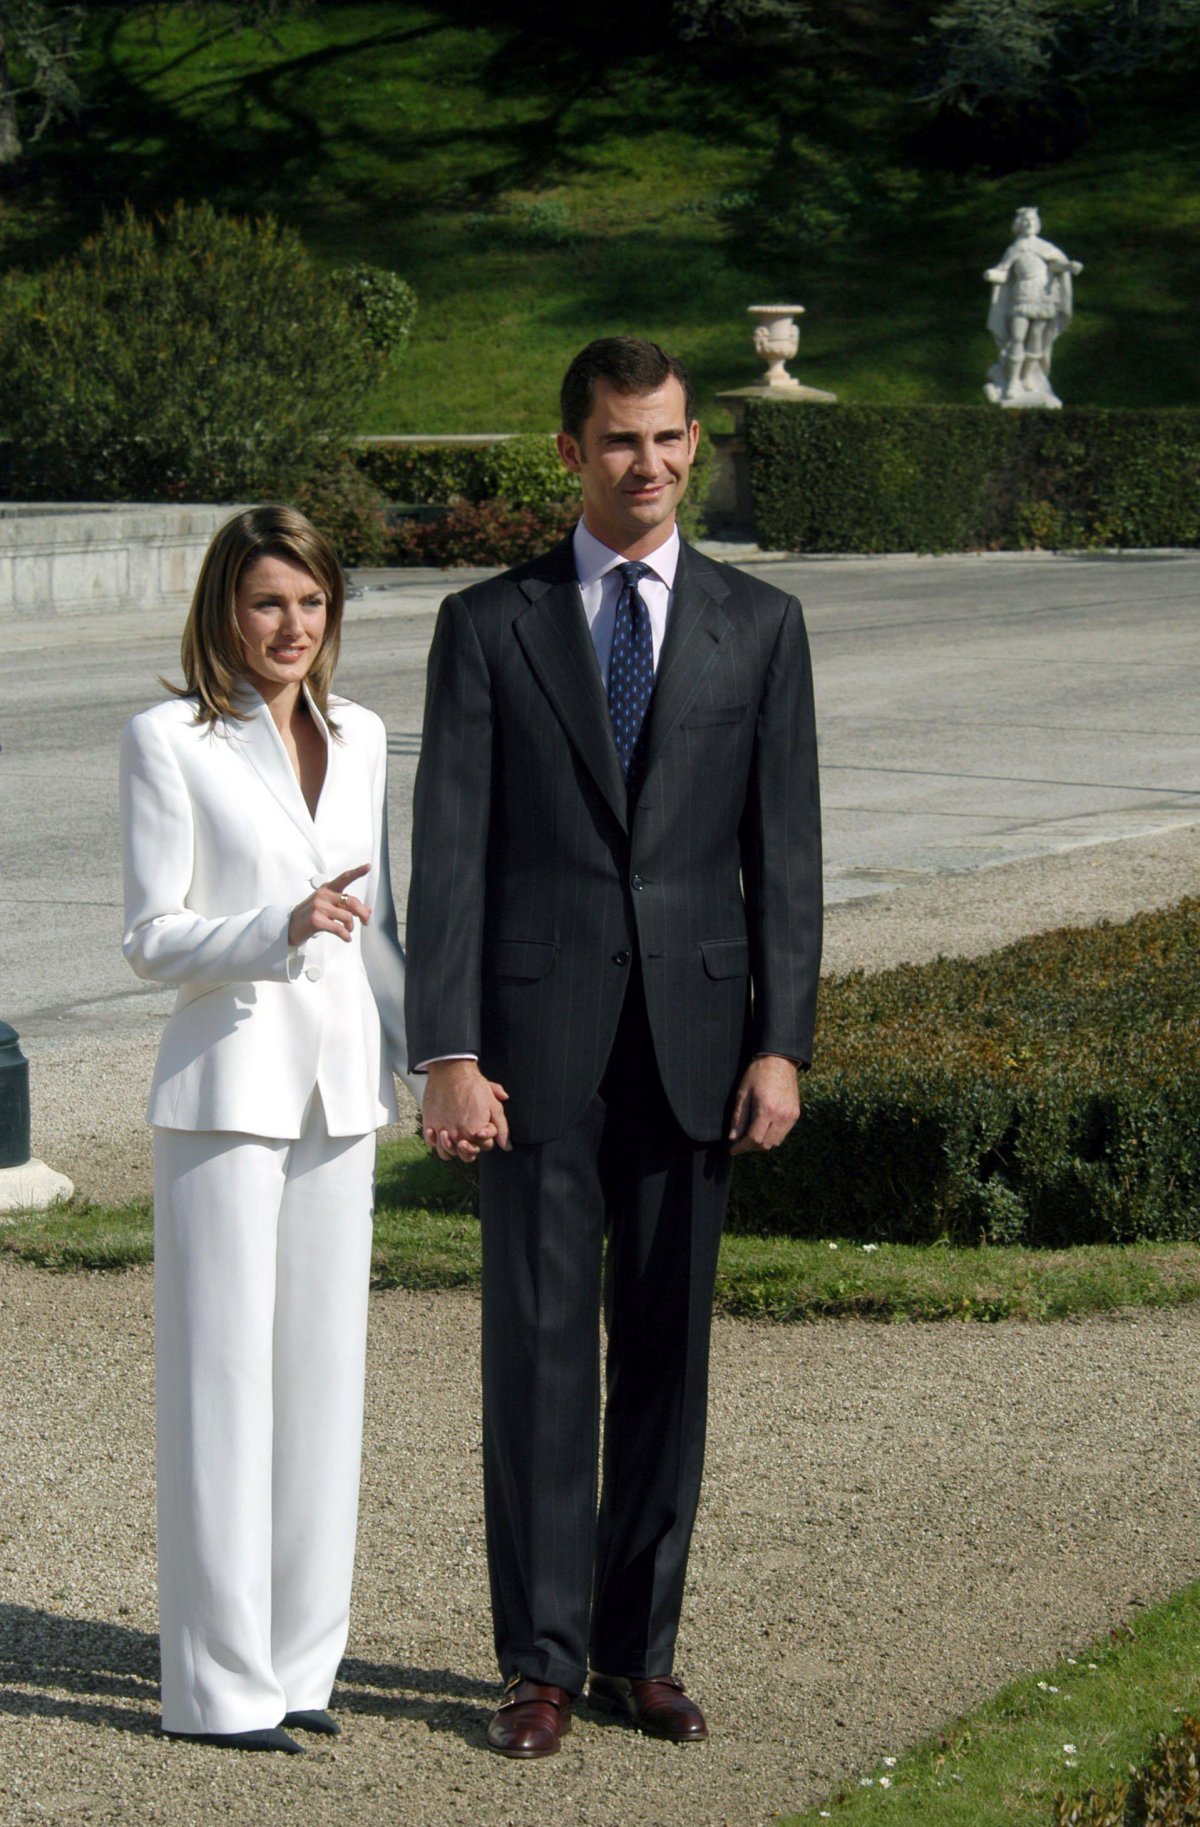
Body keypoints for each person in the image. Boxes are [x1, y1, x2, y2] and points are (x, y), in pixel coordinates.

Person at [405, 337, 822, 1758]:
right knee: (533, 1356)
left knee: (667, 1354)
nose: (646, 465)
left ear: (694, 443)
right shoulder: (489, 622)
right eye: (618, 441)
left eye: (668, 440)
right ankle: (537, 1657)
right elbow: (447, 851)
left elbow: (789, 857)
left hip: (698, 1048)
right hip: (530, 1048)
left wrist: (783, 1044)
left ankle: (640, 1648)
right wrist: (447, 1048)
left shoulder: (761, 627)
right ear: (570, 449)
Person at [120, 505, 412, 1753]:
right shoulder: (167, 741)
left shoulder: (363, 734)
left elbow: (380, 924)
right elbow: (149, 935)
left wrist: (424, 1065)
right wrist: (272, 928)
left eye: (310, 603)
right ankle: (216, 1688)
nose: (291, 627)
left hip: (339, 1094)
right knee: (222, 1391)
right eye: (265, 604)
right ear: (222, 614)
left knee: (321, 1388)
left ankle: (301, 1665)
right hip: (225, 1093)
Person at [984, 205, 1083, 407]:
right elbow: (1004, 270)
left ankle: (1028, 376)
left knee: (1037, 336)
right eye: (1025, 221)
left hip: (1043, 295)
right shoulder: (1014, 249)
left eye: (1033, 221)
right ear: (1019, 226)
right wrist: (992, 275)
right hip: (1022, 292)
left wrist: (1068, 266)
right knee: (1017, 337)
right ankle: (1012, 382)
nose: (1030, 224)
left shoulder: (1045, 247)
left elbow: (1054, 265)